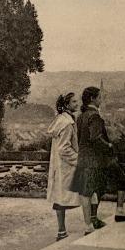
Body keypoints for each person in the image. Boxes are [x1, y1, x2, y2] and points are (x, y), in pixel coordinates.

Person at [69, 86, 125, 233]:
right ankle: (119, 210)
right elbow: (95, 138)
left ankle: (90, 224)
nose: (101, 100)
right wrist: (110, 145)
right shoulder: (94, 116)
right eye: (99, 97)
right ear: (92, 99)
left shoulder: (81, 116)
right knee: (122, 180)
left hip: (83, 159)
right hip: (96, 160)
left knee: (88, 192)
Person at [45, 92, 84, 241]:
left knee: (60, 196)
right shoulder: (67, 123)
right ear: (66, 105)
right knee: (88, 193)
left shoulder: (61, 120)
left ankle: (61, 231)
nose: (77, 104)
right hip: (67, 165)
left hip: (60, 166)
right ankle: (91, 224)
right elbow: (64, 149)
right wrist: (78, 160)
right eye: (74, 102)